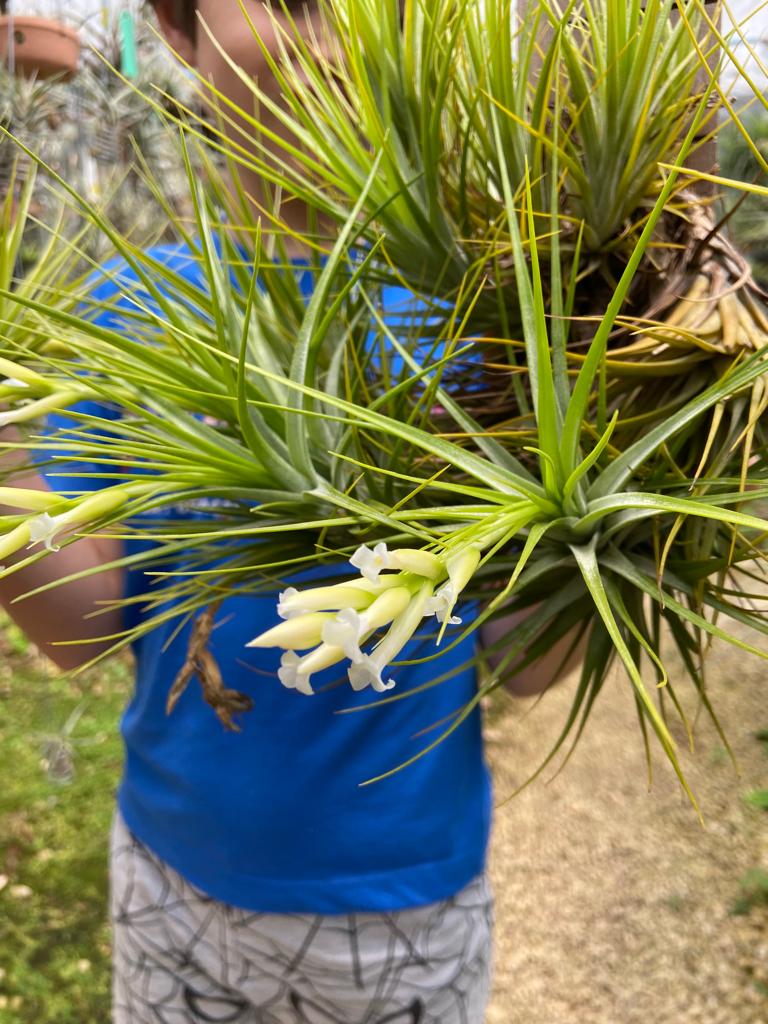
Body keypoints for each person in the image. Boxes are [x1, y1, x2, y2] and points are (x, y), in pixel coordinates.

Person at [0, 3, 579, 1021]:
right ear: (178, 29)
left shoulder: (492, 317)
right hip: (166, 878)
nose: (338, 35)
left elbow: (528, 661)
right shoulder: (131, 312)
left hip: (401, 906)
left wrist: (612, 462)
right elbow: (85, 631)